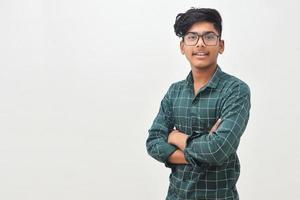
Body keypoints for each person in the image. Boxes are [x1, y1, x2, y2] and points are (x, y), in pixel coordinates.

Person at [146, 8, 251, 200]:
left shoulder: (235, 90)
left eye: (209, 37)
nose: (200, 44)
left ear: (221, 45)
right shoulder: (174, 92)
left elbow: (217, 149)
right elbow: (153, 142)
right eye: (192, 37)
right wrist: (202, 151)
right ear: (182, 46)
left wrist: (176, 138)